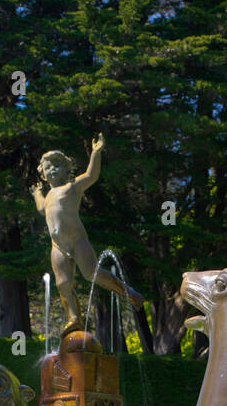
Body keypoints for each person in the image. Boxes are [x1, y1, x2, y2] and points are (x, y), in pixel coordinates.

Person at [31, 133, 144, 335]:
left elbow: (92, 175)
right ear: (42, 174)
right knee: (63, 283)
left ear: (67, 169)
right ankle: (74, 319)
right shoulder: (48, 196)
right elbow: (41, 208)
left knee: (91, 274)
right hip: (58, 247)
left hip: (77, 241)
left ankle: (129, 294)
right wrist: (36, 193)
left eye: (57, 165)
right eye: (47, 167)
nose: (52, 170)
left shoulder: (72, 187)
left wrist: (96, 152)